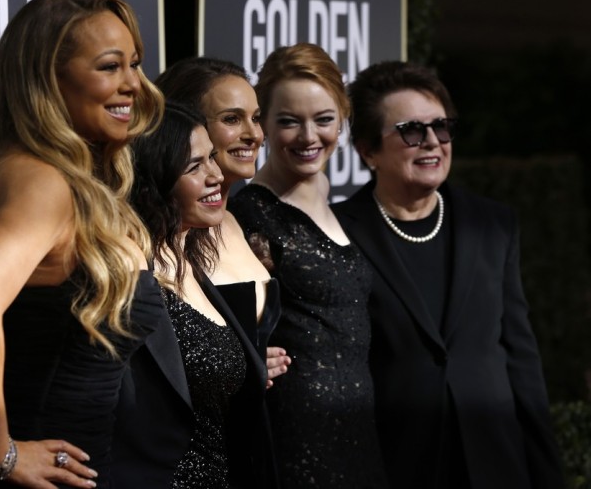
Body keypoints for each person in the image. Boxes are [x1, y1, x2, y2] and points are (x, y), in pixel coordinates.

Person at [0, 0, 165, 488]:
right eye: (109, 67)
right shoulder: (42, 181)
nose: (132, 85)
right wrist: (3, 455)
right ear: (47, 81)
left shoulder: (60, 177)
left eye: (134, 64)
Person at [331, 60, 565, 489]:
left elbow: (521, 358)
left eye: (441, 127)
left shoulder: (492, 225)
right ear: (368, 151)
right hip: (396, 465)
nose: (432, 142)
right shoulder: (337, 233)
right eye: (411, 131)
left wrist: (547, 474)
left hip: (496, 463)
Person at [229, 42, 389, 488]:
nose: (308, 137)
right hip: (295, 435)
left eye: (323, 119)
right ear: (262, 124)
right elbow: (223, 323)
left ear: (343, 118)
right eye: (288, 121)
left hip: (358, 430)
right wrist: (247, 356)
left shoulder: (329, 198)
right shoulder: (249, 215)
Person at [120, 101, 277, 488]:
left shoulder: (193, 262)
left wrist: (250, 365)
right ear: (153, 179)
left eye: (211, 158)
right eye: (194, 167)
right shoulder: (128, 277)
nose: (216, 176)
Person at [154, 56, 289, 381]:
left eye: (256, 118)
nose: (254, 134)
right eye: (232, 119)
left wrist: (251, 363)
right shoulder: (160, 240)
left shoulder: (233, 222)